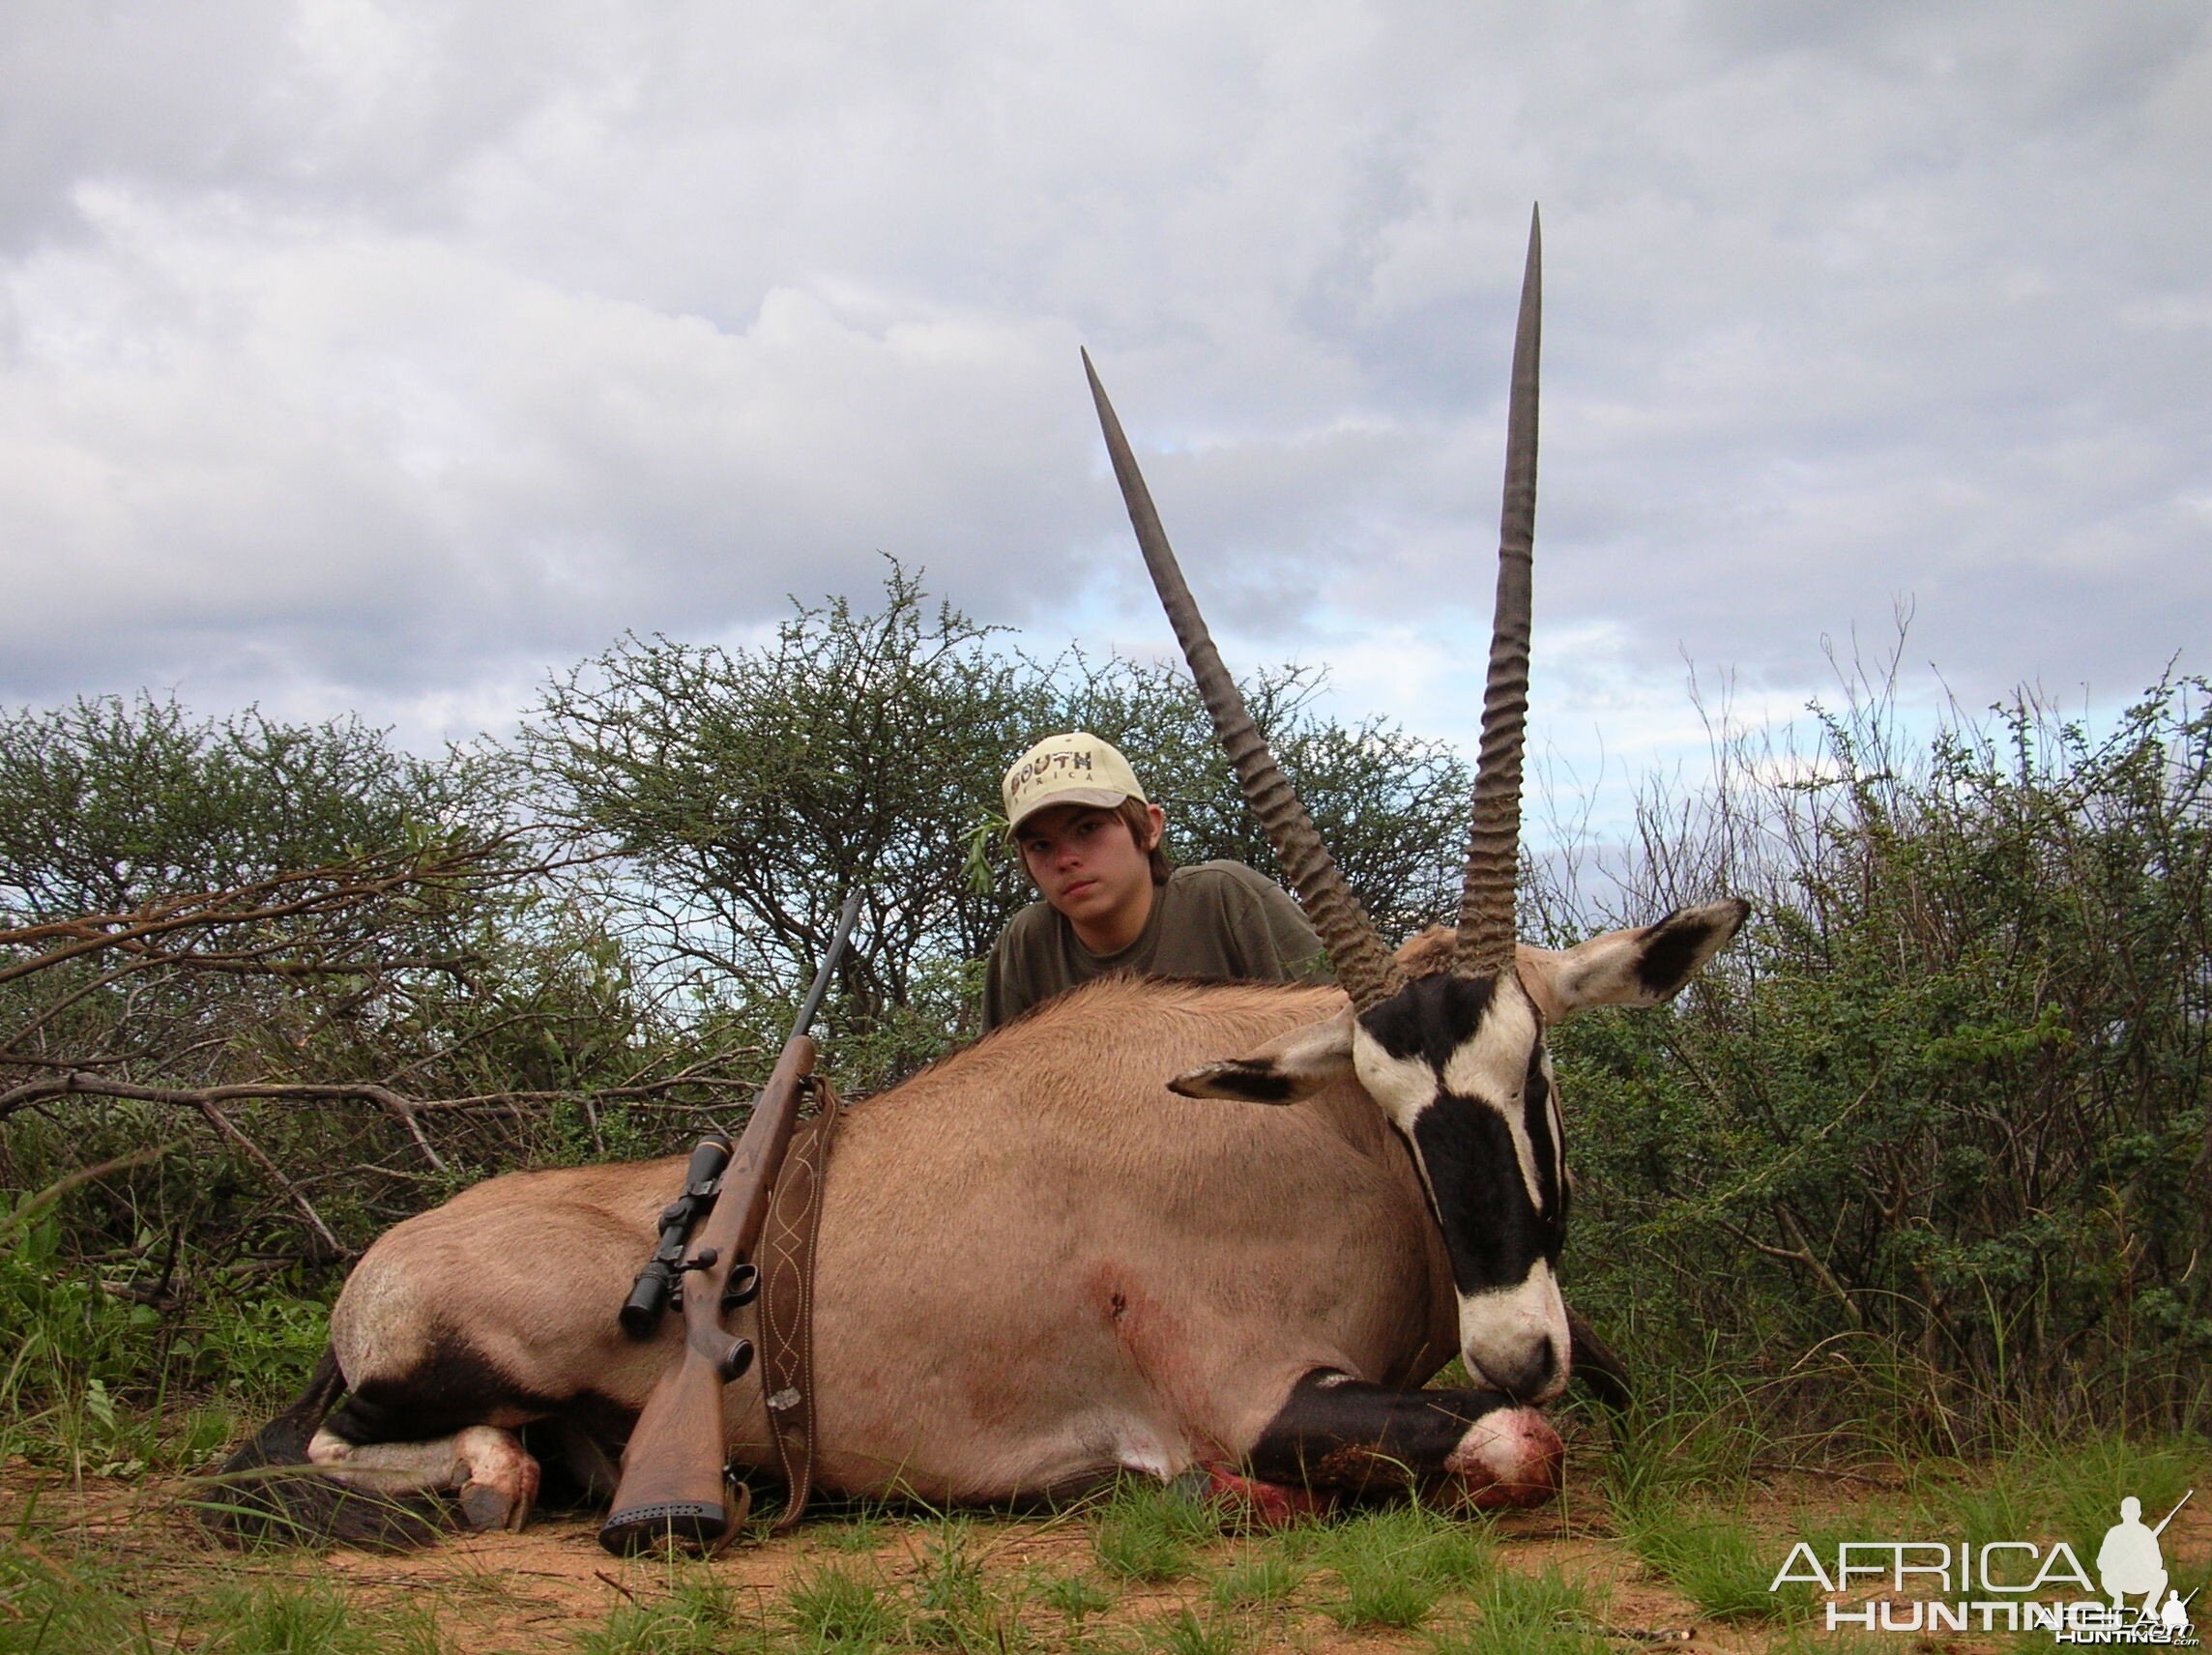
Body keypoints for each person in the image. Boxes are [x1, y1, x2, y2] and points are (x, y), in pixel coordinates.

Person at [982, 732, 1330, 1031]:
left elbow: (1342, 1018)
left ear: (1149, 827)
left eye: (1088, 828)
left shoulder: (1226, 897)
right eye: (1040, 845)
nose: (1064, 860)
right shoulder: (1027, 944)